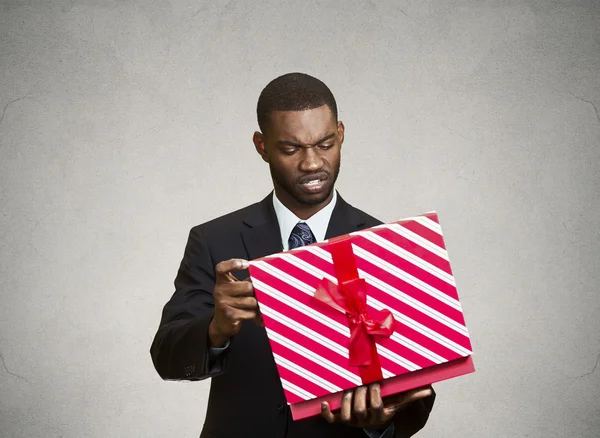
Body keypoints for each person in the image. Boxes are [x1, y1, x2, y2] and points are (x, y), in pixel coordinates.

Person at [150, 72, 436, 438]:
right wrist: (215, 328)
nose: (313, 163)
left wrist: (381, 423)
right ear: (262, 146)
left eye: (325, 143)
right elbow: (166, 357)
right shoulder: (214, 240)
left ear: (341, 135)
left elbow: (420, 387)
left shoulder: (389, 247)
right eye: (291, 149)